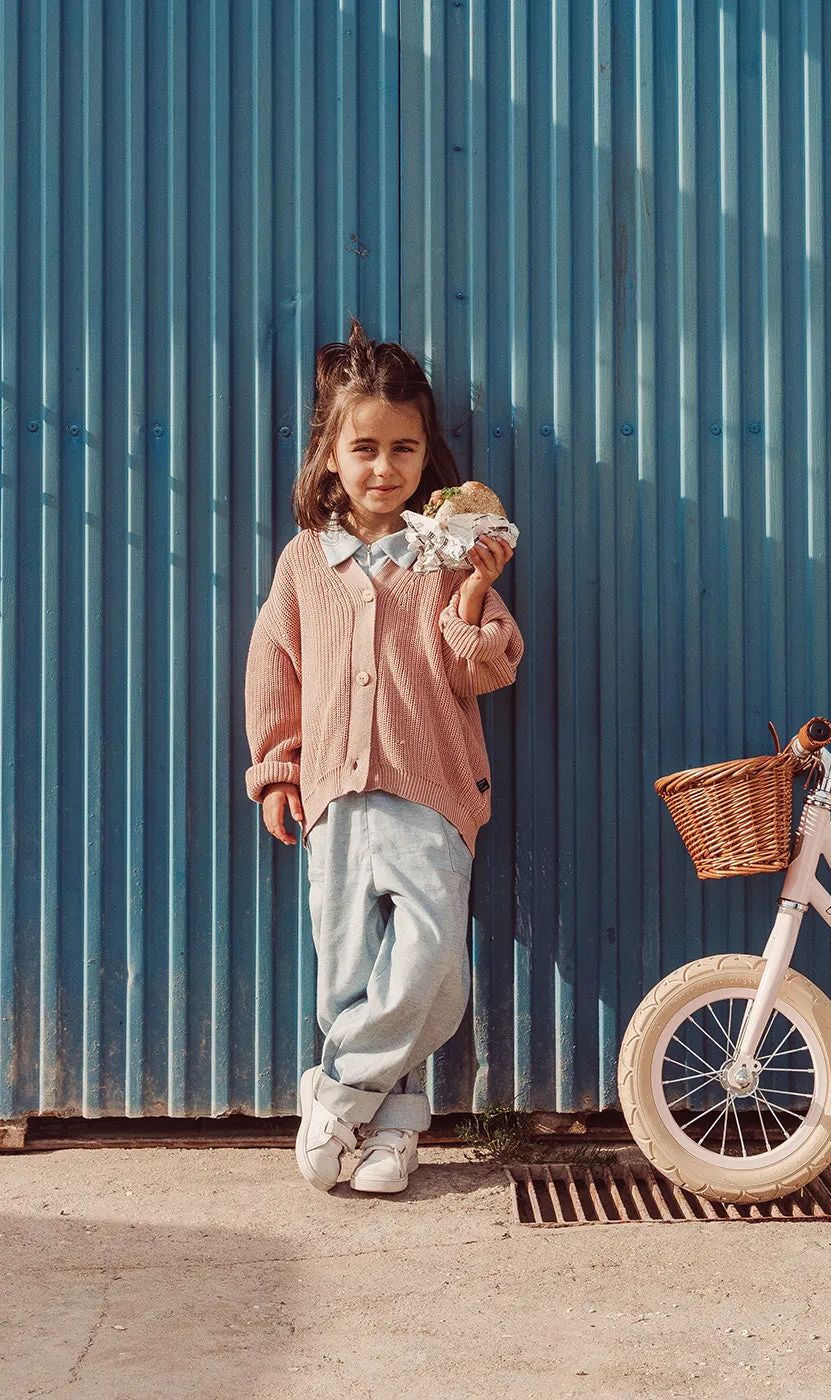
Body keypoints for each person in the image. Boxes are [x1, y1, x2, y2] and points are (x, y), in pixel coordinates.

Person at [244, 319, 522, 1194]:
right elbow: (273, 669)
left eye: (404, 449)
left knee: (433, 962)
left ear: (425, 457)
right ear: (330, 456)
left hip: (430, 789)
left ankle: (338, 1093)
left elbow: (486, 667)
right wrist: (277, 767)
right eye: (363, 448)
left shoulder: (444, 558)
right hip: (332, 794)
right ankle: (391, 1130)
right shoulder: (303, 563)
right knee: (349, 972)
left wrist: (476, 589)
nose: (384, 468)